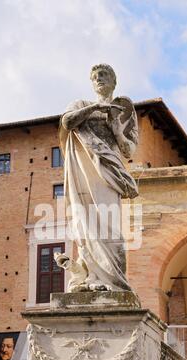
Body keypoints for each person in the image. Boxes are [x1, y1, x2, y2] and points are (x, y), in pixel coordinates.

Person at [59, 64, 139, 292]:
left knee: (108, 225)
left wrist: (115, 126)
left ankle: (113, 281)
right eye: (95, 77)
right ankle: (92, 277)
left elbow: (129, 151)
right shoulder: (81, 105)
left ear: (114, 82)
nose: (99, 79)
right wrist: (96, 107)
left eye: (104, 75)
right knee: (87, 223)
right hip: (84, 170)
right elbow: (67, 122)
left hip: (109, 172)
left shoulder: (125, 111)